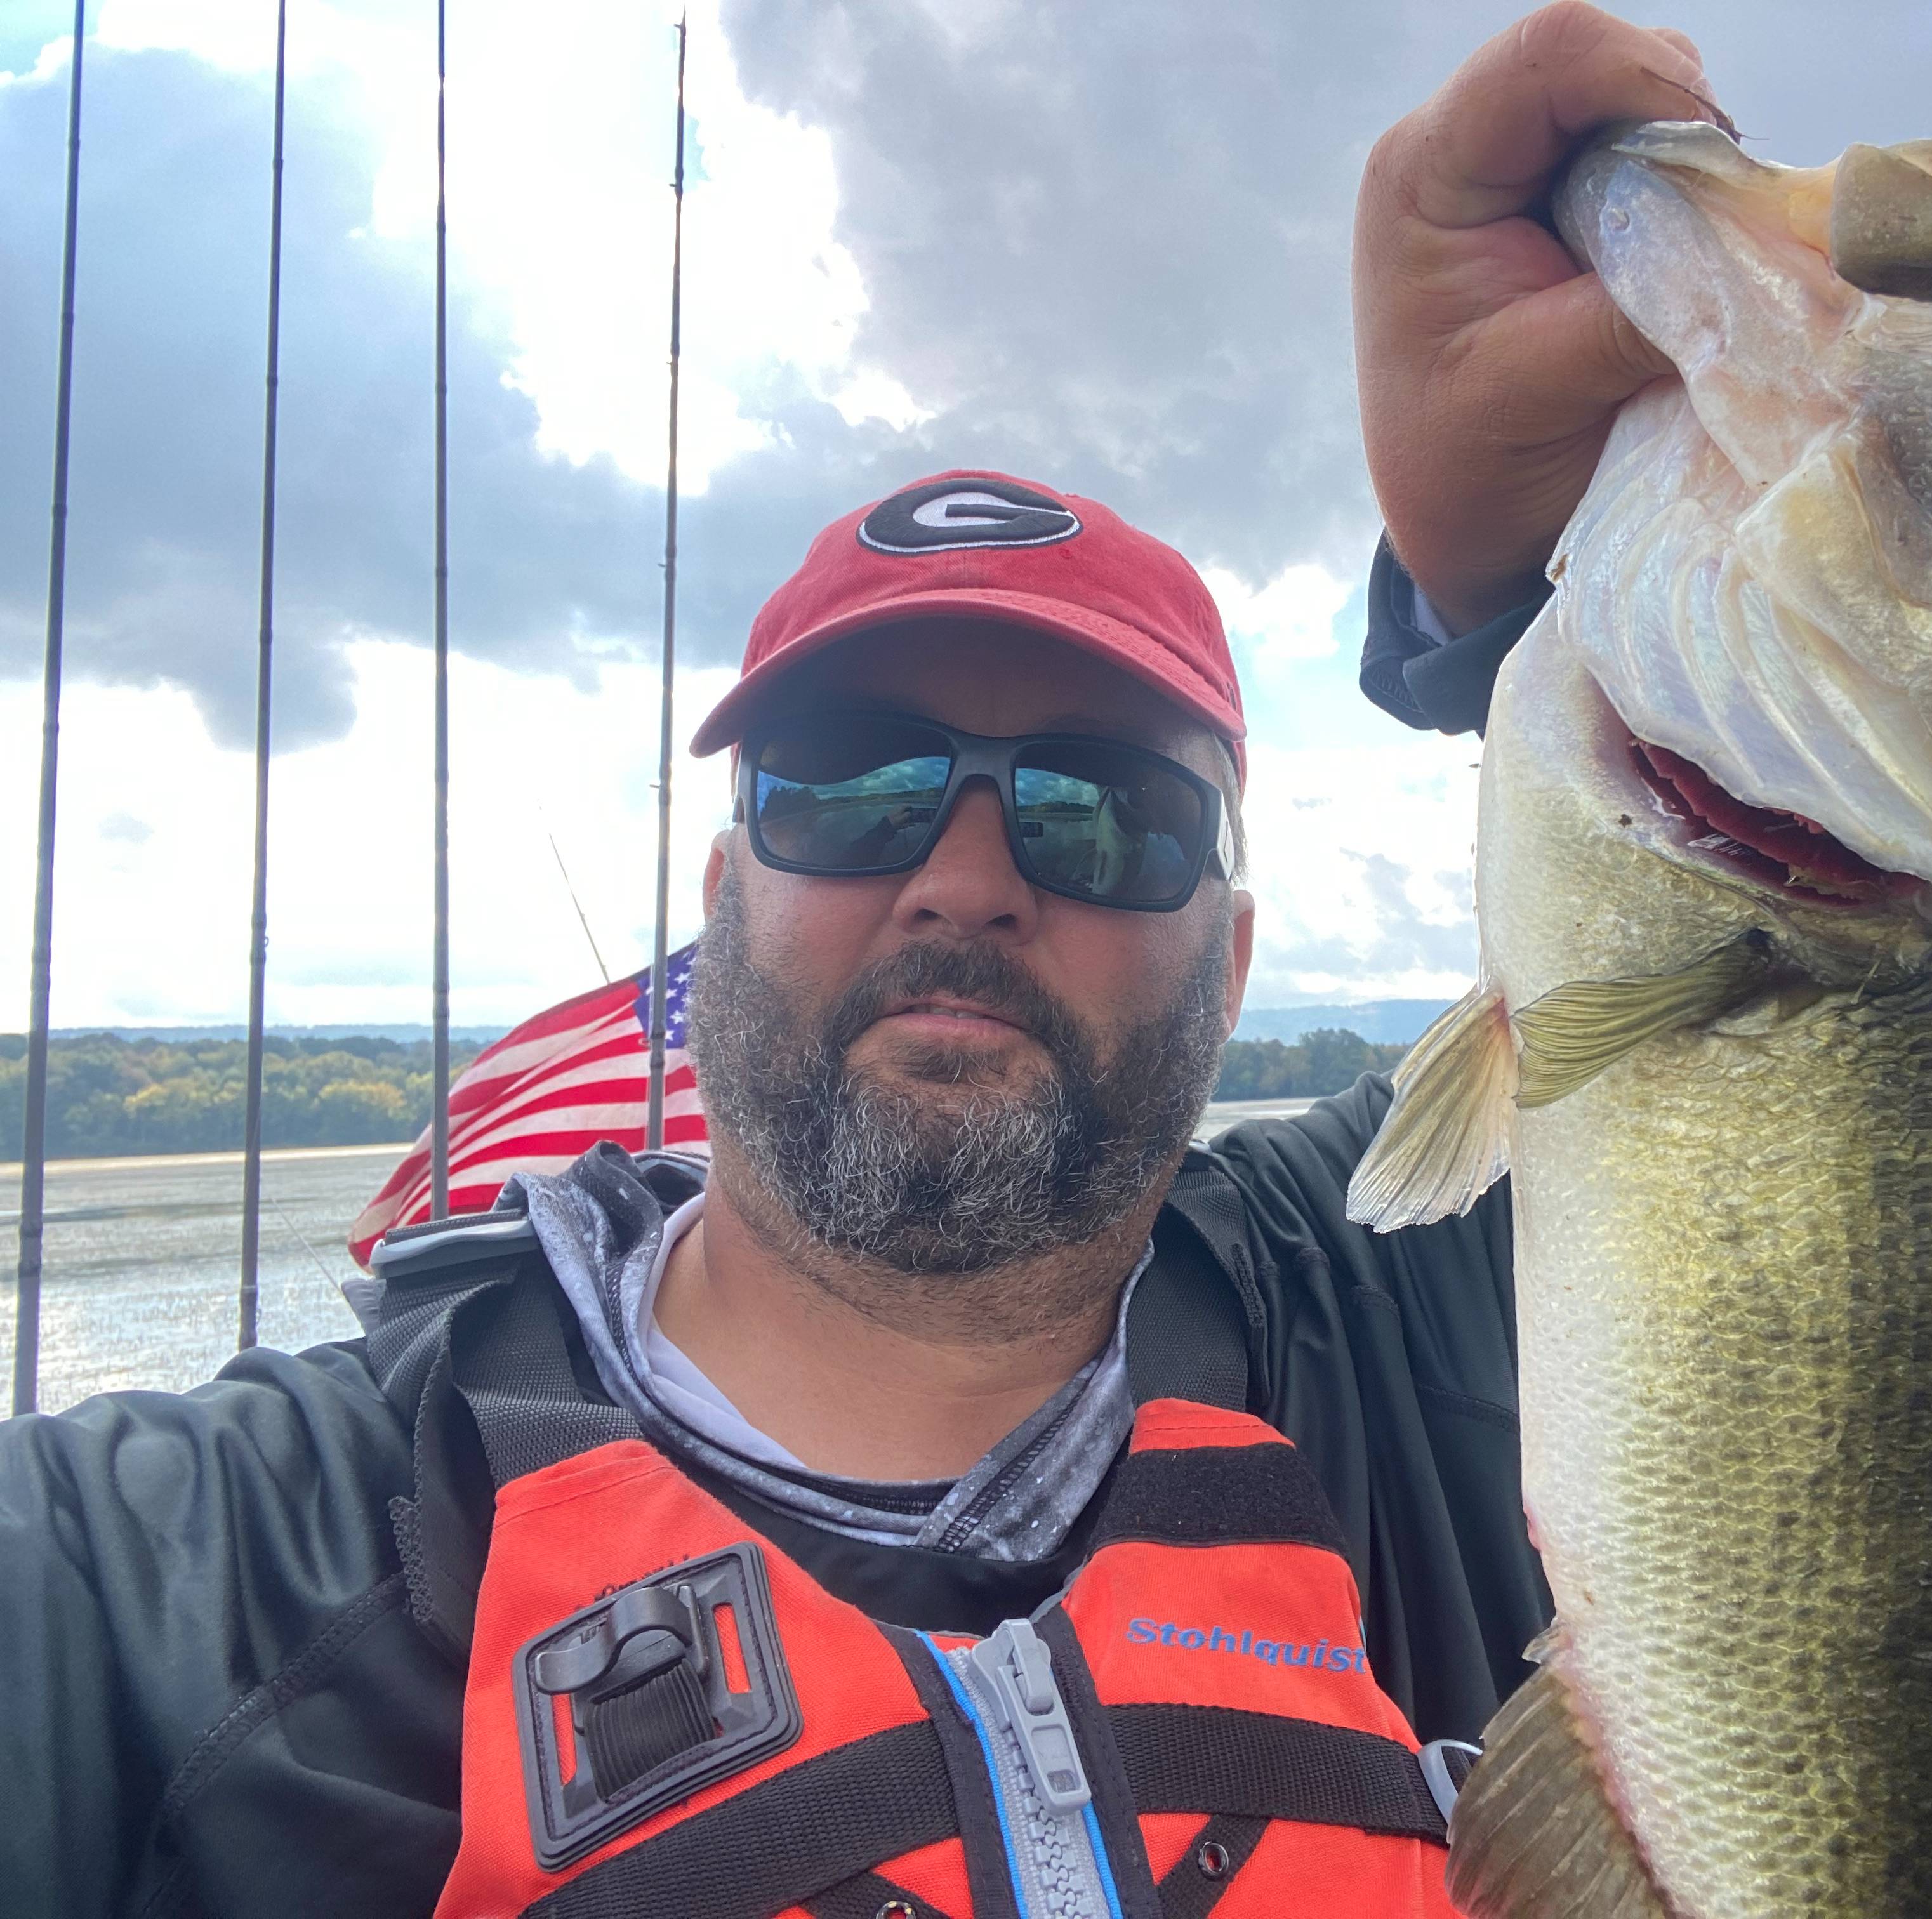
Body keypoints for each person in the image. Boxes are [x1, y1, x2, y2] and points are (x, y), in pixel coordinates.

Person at [0, 10, 1719, 1914]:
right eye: (856, 786)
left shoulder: (1401, 1305)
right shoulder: (187, 1579)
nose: (966, 878)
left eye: (1099, 813)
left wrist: (1519, 601)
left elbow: (1793, 985)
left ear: (1230, 967)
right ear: (725, 890)